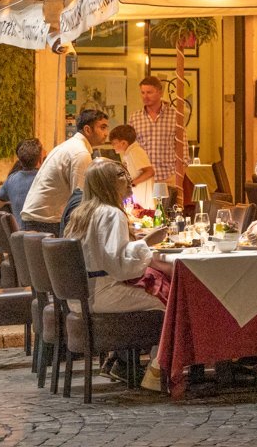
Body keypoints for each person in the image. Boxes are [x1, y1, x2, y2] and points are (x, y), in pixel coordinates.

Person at [64, 158, 170, 390]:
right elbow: (119, 266)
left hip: (80, 297)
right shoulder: (112, 214)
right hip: (102, 293)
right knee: (170, 303)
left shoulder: (82, 213)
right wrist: (147, 242)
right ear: (107, 184)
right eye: (121, 175)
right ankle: (156, 371)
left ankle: (121, 361)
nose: (128, 178)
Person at [22, 109, 108, 235]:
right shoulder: (80, 153)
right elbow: (79, 200)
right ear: (88, 130)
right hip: (44, 224)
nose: (106, 133)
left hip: (37, 220)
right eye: (103, 127)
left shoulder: (71, 146)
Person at [128, 76, 188, 206]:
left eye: (149, 92)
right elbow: (131, 149)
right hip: (144, 178)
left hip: (168, 177)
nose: (145, 96)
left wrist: (179, 177)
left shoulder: (175, 116)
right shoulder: (135, 118)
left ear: (160, 92)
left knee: (169, 217)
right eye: (142, 92)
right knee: (145, 217)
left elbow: (183, 149)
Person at [0, 137, 44, 229]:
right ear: (40, 160)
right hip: (44, 238)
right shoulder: (46, 179)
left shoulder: (11, 180)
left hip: (19, 238)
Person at [108, 125, 155, 205]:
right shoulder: (129, 153)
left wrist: (132, 184)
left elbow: (150, 172)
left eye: (114, 143)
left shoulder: (135, 151)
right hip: (137, 194)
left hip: (143, 196)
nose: (113, 146)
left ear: (123, 143)